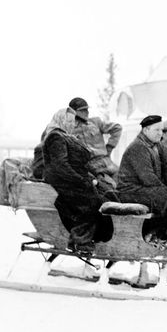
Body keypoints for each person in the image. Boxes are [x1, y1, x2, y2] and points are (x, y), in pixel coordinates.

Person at [41, 107, 114, 252]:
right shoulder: (55, 137)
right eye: (68, 120)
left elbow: (81, 164)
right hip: (63, 181)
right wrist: (82, 180)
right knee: (92, 202)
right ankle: (78, 241)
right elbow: (61, 165)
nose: (71, 124)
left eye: (73, 121)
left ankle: (100, 236)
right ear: (61, 120)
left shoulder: (67, 136)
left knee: (107, 196)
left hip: (74, 179)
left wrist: (93, 177)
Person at [117, 115, 167, 245]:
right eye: (157, 130)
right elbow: (148, 178)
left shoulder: (156, 145)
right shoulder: (138, 147)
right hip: (130, 191)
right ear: (146, 130)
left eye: (161, 130)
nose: (160, 134)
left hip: (145, 189)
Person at [68, 97, 122, 189]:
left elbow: (117, 128)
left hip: (107, 162)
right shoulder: (68, 129)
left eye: (87, 109)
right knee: (111, 187)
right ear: (73, 112)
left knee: (125, 182)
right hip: (92, 166)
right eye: (83, 110)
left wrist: (109, 148)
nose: (87, 112)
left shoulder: (95, 122)